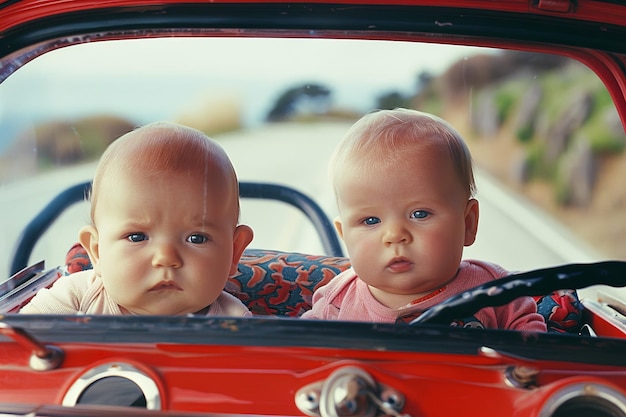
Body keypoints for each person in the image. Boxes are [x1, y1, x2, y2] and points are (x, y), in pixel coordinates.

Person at [301, 109, 546, 331]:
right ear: (345, 236)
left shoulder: (496, 291)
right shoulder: (336, 302)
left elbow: (533, 343)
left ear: (468, 224)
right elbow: (300, 354)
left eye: (420, 214)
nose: (394, 235)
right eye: (371, 220)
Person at [20, 121, 254, 316]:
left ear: (234, 251)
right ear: (97, 251)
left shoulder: (237, 326)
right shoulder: (75, 299)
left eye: (196, 238)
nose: (165, 258)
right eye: (137, 236)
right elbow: (15, 345)